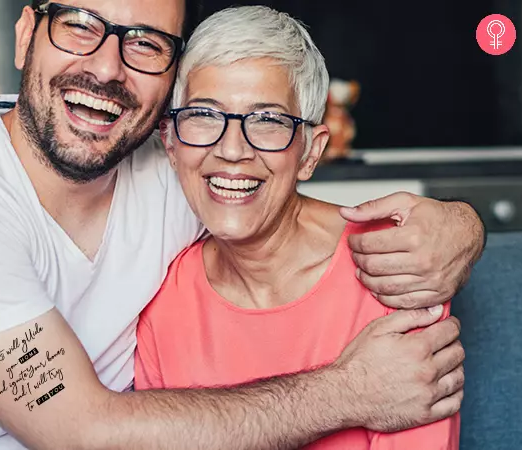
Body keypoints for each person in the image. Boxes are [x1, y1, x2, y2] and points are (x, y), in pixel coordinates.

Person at [0, 0, 481, 448]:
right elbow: (82, 434)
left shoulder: (173, 169)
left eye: (144, 44)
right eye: (81, 25)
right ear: (26, 35)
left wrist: (460, 226)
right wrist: (354, 390)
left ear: (168, 82)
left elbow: (270, 195)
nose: (108, 67)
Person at [134, 6, 460, 449]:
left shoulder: (396, 269)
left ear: (310, 152)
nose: (232, 150)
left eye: (267, 121)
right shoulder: (158, 299)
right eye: (205, 116)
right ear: (170, 142)